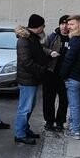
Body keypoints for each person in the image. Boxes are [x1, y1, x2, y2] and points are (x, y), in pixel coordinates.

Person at [14, 14, 57, 145]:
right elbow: (26, 62)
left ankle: (24, 129)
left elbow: (38, 51)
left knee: (29, 106)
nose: (44, 28)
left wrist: (49, 53)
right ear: (38, 27)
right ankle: (20, 134)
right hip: (28, 79)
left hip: (32, 79)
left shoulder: (32, 38)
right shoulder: (24, 40)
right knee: (25, 108)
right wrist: (42, 70)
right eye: (43, 26)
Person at [42, 15, 70, 132]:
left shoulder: (73, 38)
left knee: (64, 100)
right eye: (62, 24)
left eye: (66, 24)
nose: (64, 26)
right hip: (51, 72)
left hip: (66, 75)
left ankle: (60, 122)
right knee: (49, 98)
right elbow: (41, 47)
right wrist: (50, 52)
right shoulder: (52, 37)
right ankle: (49, 121)